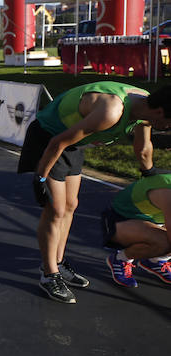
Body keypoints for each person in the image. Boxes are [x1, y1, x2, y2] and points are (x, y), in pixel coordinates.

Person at [18, 81, 171, 303]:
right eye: (168, 124)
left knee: (71, 205)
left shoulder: (146, 105)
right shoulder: (111, 111)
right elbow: (57, 142)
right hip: (49, 138)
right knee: (56, 210)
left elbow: (143, 146)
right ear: (159, 112)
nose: (167, 129)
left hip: (71, 142)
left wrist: (150, 175)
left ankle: (58, 263)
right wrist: (40, 177)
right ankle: (49, 274)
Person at [101, 173, 171, 288]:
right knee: (165, 243)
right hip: (121, 218)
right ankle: (121, 259)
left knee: (165, 243)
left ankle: (156, 260)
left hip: (150, 219)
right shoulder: (168, 191)